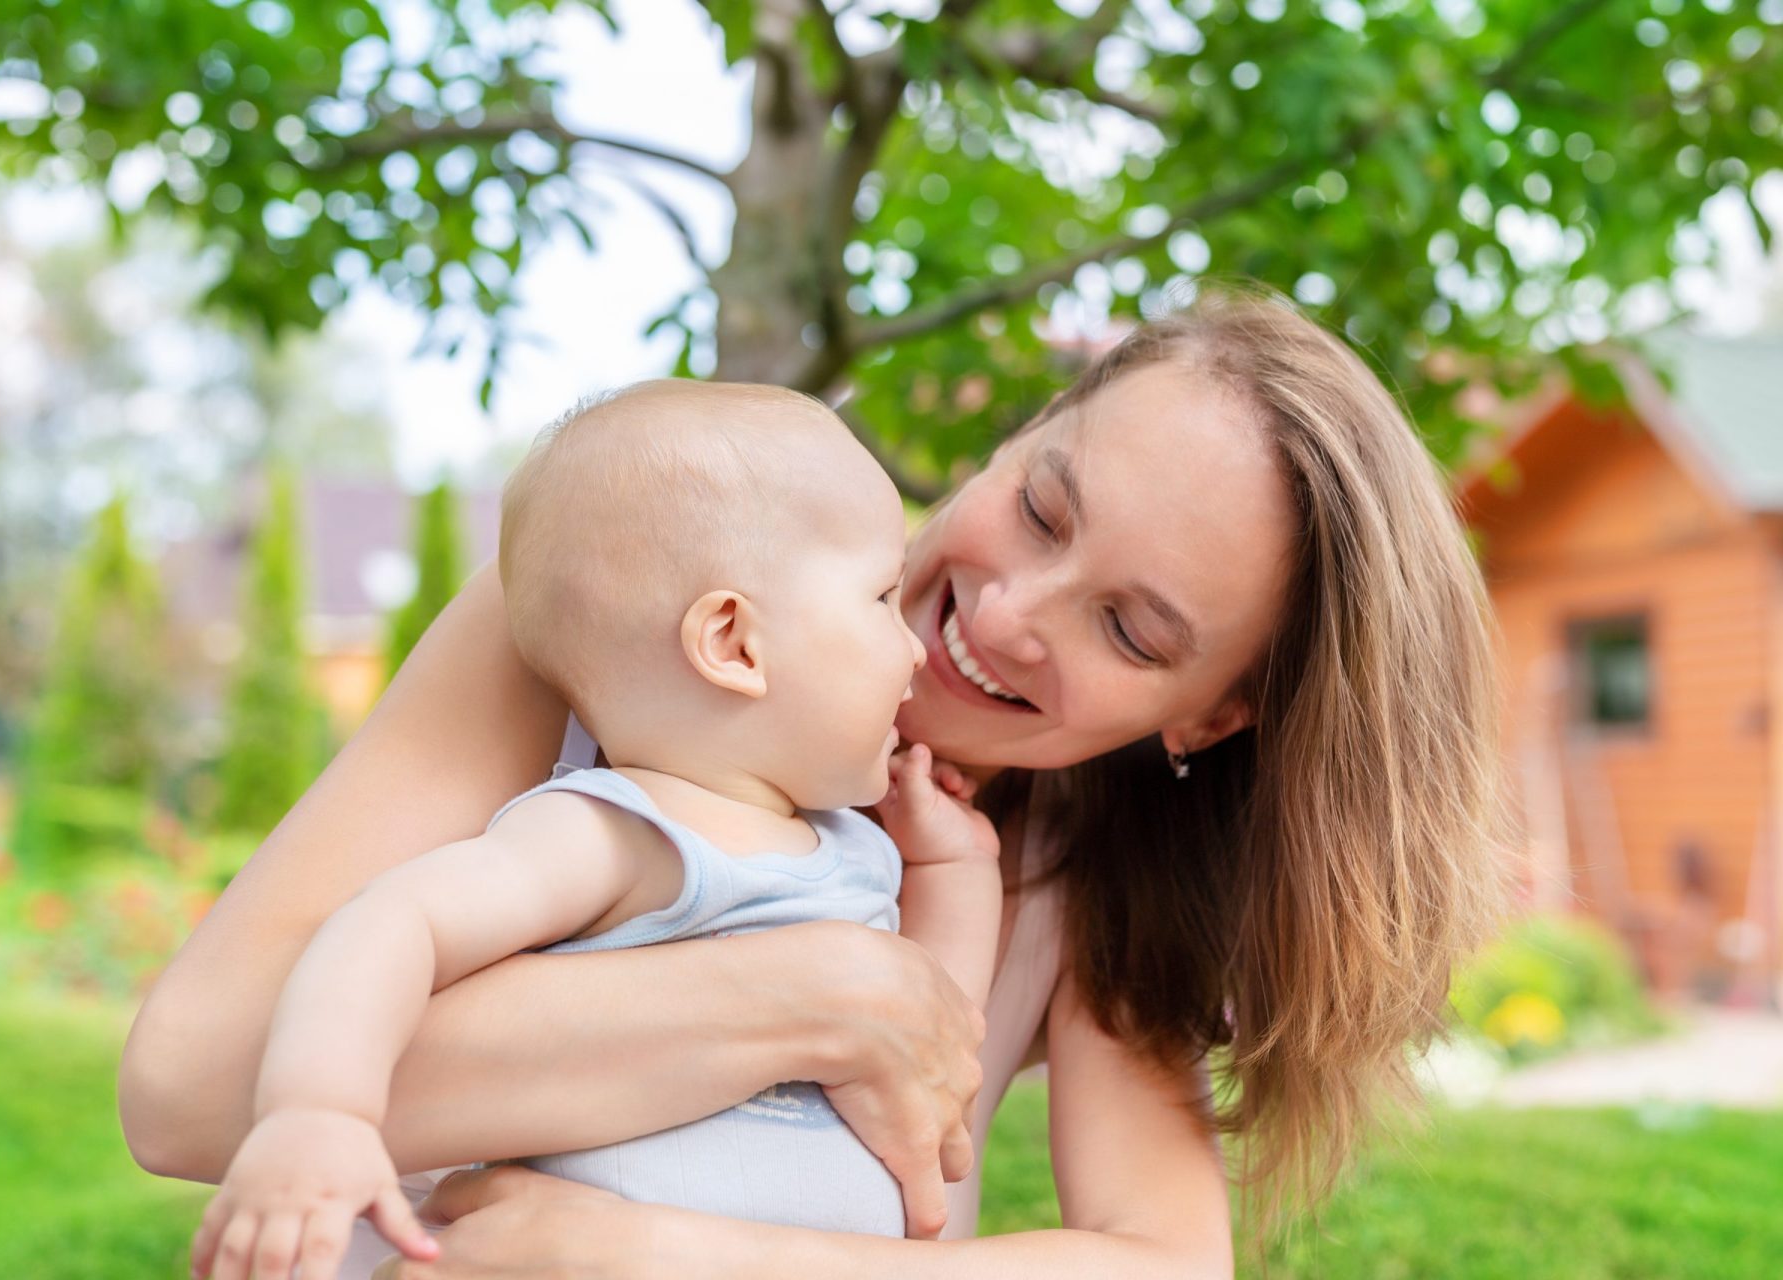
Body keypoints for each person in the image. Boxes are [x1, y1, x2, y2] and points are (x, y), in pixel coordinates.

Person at [121, 288, 1504, 1277]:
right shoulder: (625, 609)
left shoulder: (1092, 864)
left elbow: (1162, 1261)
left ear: (1213, 717)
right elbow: (190, 1090)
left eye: (1131, 630)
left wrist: (660, 1255)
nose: (1011, 612)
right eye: (1040, 504)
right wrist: (826, 998)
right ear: (1025, 431)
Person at [186, 379, 1005, 1280]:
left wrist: (957, 866)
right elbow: (393, 921)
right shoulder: (622, 832)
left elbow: (939, 1036)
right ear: (734, 643)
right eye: (881, 598)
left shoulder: (851, 850)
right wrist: (321, 1113)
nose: (915, 646)